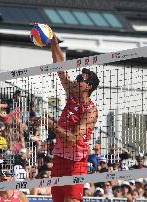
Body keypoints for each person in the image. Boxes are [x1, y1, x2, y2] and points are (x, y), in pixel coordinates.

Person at [35, 33, 99, 202]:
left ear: (88, 87)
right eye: (77, 77)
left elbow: (72, 139)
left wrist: (50, 123)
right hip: (60, 157)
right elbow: (59, 66)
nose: (76, 80)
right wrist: (53, 41)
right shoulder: (71, 93)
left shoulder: (91, 111)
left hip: (76, 161)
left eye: (80, 79)